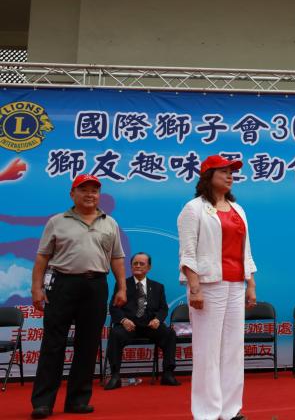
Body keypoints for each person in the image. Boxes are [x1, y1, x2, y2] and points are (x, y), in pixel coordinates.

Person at [30, 174, 127, 419]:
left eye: (94, 190)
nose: (90, 194)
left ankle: (78, 400)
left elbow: (117, 257)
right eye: (84, 190)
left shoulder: (110, 223)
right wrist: (36, 288)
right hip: (62, 284)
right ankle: (43, 403)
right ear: (72, 194)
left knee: (88, 345)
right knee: (53, 344)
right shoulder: (57, 221)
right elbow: (42, 256)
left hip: (96, 286)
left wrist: (122, 288)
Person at [178, 155, 258, 420]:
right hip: (208, 286)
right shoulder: (194, 208)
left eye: (231, 171)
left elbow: (246, 250)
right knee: (207, 350)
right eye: (223, 171)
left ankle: (230, 409)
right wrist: (195, 288)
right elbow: (187, 252)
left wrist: (250, 283)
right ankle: (207, 412)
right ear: (208, 176)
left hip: (236, 284)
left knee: (233, 349)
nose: (230, 176)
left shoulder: (238, 209)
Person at [105, 252, 181, 389]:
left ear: (149, 267)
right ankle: (115, 375)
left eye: (141, 264)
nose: (138, 266)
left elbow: (163, 308)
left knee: (169, 334)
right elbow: (114, 307)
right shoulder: (122, 285)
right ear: (131, 266)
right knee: (115, 334)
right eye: (135, 263)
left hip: (150, 326)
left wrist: (158, 319)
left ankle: (168, 374)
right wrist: (123, 320)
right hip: (129, 326)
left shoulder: (158, 287)